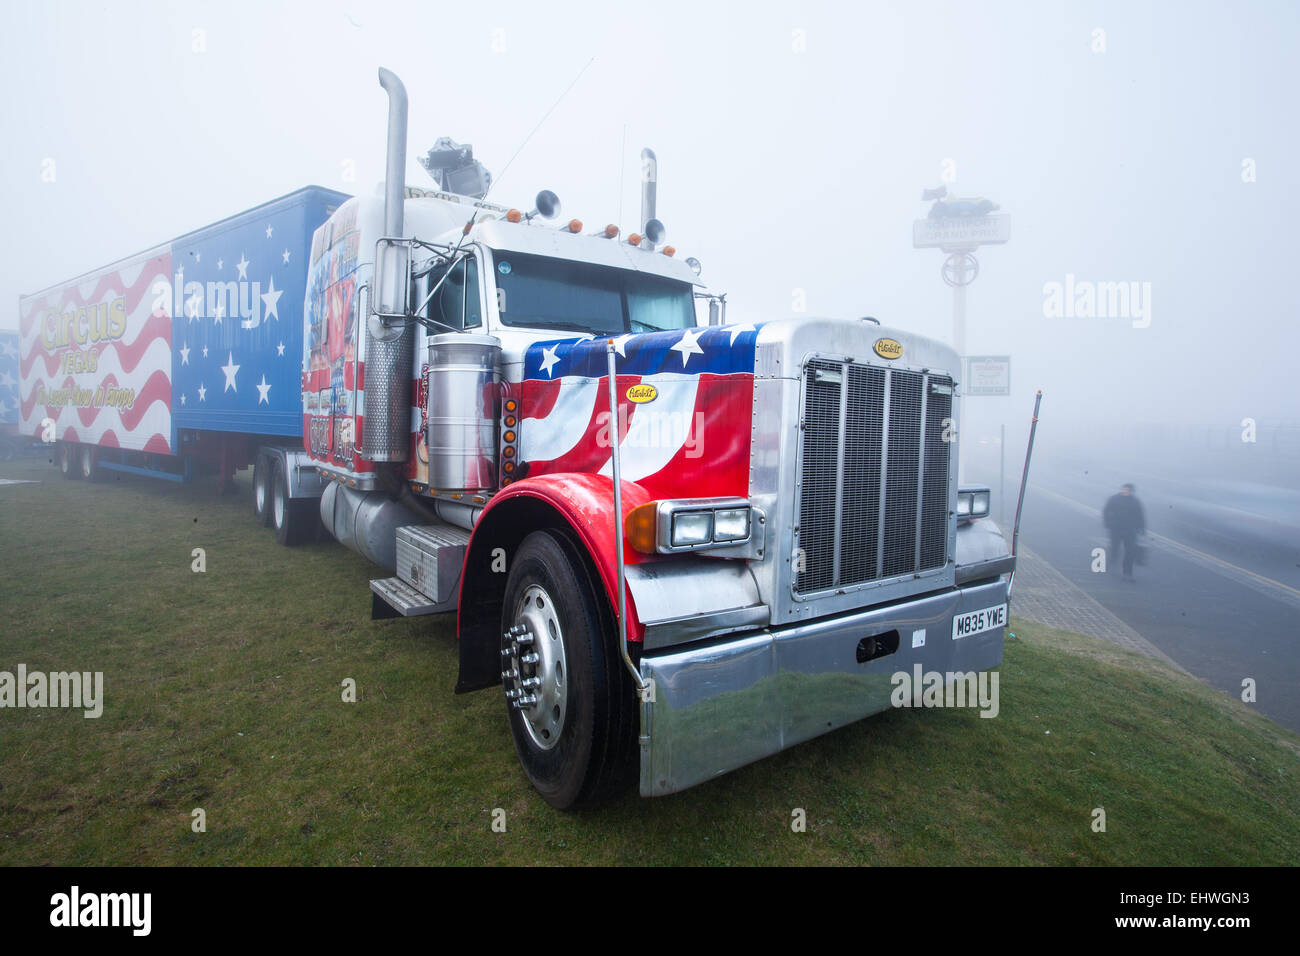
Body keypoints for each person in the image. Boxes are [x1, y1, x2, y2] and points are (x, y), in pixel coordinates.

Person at [1103, 483, 1146, 580]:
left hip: (1130, 531)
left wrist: (1142, 528)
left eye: (1128, 490)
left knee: (1130, 552)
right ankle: (1113, 561)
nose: (1125, 491)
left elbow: (1140, 515)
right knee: (1115, 548)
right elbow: (1106, 511)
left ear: (1131, 491)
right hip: (1116, 529)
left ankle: (1127, 573)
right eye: (1124, 489)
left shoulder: (1135, 502)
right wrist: (1107, 523)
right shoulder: (1114, 499)